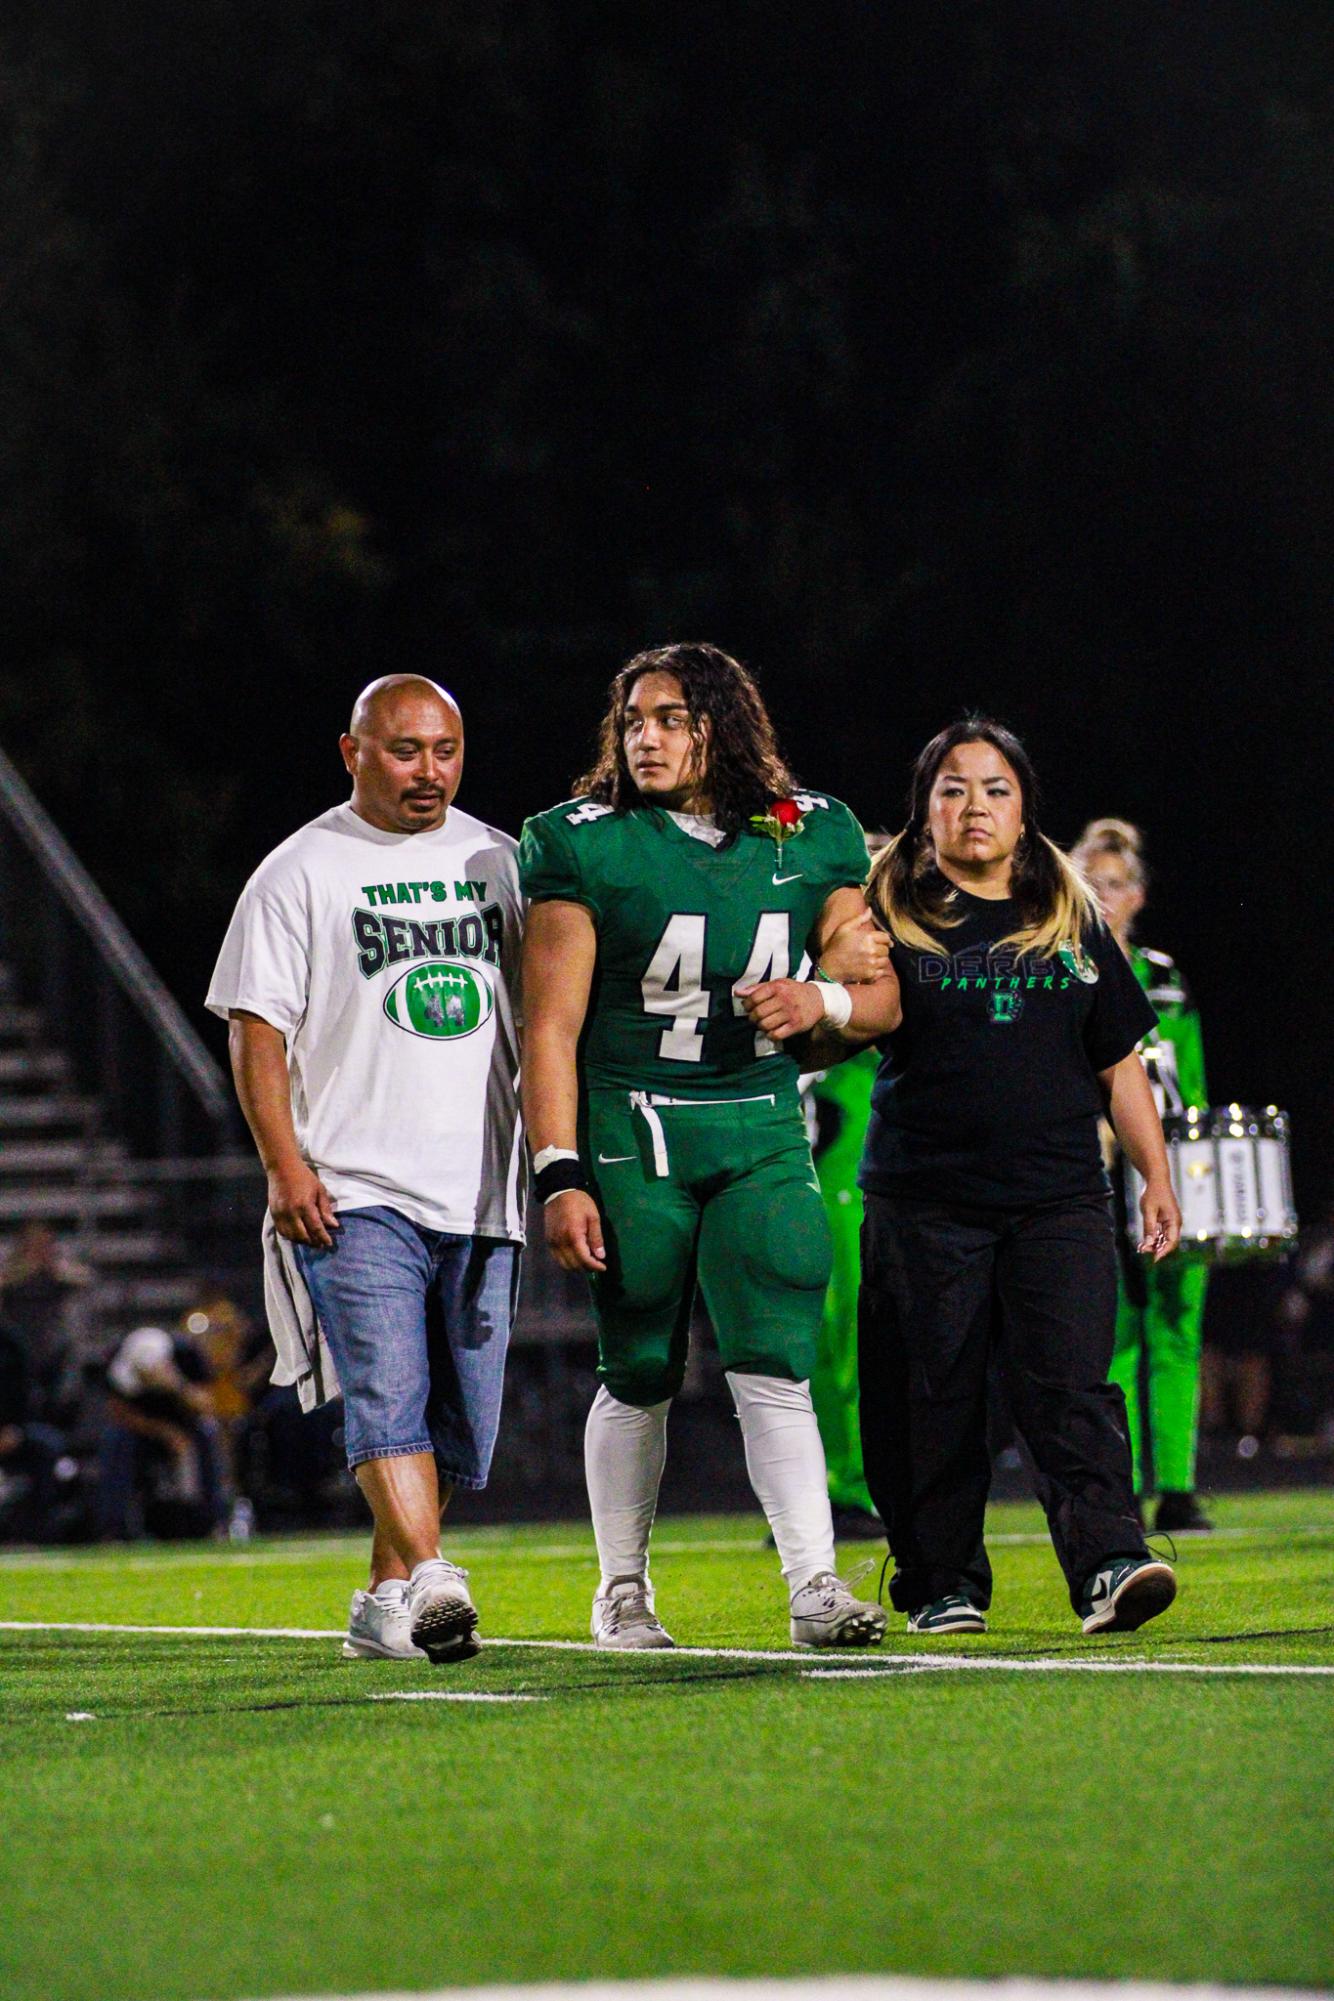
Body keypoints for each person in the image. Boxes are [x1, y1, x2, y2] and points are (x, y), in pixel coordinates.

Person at [742, 717, 1182, 1637]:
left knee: (1071, 1383)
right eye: (953, 788)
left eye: (994, 789)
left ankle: (1111, 1561)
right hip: (925, 1201)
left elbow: (1119, 1062)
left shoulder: (1069, 915)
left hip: (1058, 1197)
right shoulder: (882, 913)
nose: (973, 806)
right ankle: (941, 1579)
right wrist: (817, 998)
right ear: (924, 809)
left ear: (1024, 813)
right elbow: (842, 1026)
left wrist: (1155, 1174)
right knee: (928, 1394)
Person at [518, 642, 889, 1649]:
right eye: (633, 717)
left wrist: (825, 997)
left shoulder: (811, 834)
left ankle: (813, 1586)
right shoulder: (581, 841)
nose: (645, 735)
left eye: (670, 717)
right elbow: (547, 1026)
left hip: (759, 1119)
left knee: (776, 1351)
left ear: (720, 723)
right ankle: (621, 1590)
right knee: (638, 1360)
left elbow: (879, 997)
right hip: (634, 1123)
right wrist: (558, 1171)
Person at [207, 675, 524, 1663]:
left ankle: (386, 1594)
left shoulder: (499, 860)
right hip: (351, 1188)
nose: (427, 770)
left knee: (458, 1426)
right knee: (386, 1392)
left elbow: (547, 1021)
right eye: (403, 750)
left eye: (444, 749)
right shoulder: (299, 870)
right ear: (352, 752)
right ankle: (432, 1580)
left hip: (481, 1185)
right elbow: (258, 1033)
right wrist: (283, 1163)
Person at [1072, 818, 1212, 1532]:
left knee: (1178, 1322)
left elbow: (1191, 1082)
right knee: (1115, 1329)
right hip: (1093, 1176)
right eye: (1091, 881)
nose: (1106, 895)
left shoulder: (1163, 977)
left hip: (1165, 1171)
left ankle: (1180, 1484)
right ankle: (1120, 1482)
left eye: (1118, 883)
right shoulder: (1065, 965)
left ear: (1140, 894)